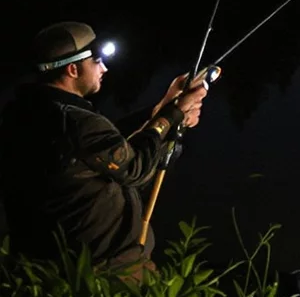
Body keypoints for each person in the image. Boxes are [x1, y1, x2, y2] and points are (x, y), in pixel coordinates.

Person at [0, 23, 211, 277]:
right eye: (97, 61)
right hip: (99, 272)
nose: (104, 68)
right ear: (73, 69)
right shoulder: (76, 122)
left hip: (45, 266)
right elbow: (135, 169)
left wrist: (161, 109)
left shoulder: (26, 114)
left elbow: (109, 145)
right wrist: (175, 113)